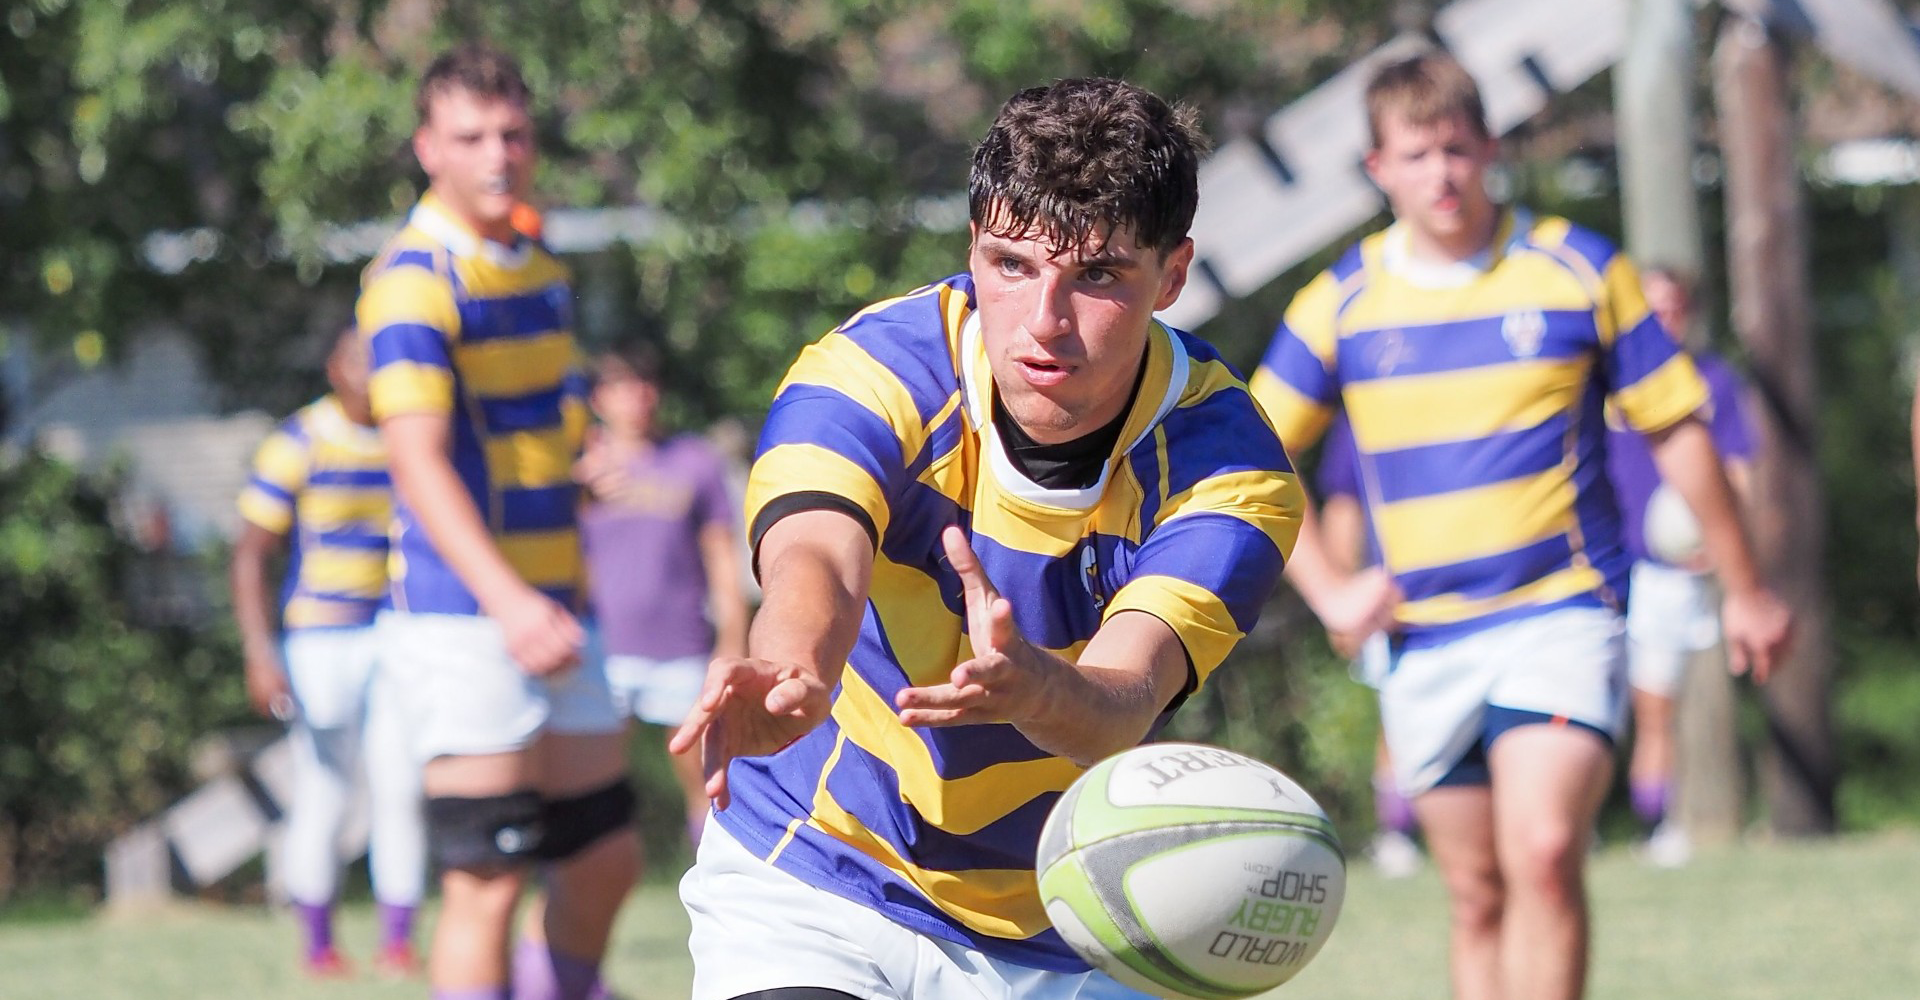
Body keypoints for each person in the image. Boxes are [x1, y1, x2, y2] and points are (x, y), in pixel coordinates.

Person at [668, 77, 1303, 1000]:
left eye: (1097, 276)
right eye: (1011, 264)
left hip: (1070, 919)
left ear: (1172, 274)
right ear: (973, 246)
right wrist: (791, 668)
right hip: (817, 868)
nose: (1045, 320)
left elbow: (1125, 704)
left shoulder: (1228, 465)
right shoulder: (870, 373)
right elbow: (815, 558)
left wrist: (1035, 687)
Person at [1249, 51, 1791, 1000]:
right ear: (1378, 169)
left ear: (1491, 149)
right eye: (1417, 156)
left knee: (1542, 852)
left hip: (1561, 615)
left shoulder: (1581, 272)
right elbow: (1248, 463)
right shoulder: (1339, 301)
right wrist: (1332, 589)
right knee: (1478, 891)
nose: (1442, 175)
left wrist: (1746, 588)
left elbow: (1679, 431)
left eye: (1458, 150)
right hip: (1423, 639)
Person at [356, 44, 637, 1000]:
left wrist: (583, 455)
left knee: (607, 855)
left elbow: (537, 419)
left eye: (513, 132)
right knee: (489, 878)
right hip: (466, 615)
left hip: (558, 602)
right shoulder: (411, 279)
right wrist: (509, 602)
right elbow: (415, 457)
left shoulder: (536, 262)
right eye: (471, 136)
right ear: (427, 147)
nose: (498, 154)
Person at [230, 327, 427, 978]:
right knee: (326, 788)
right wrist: (261, 653)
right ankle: (317, 943)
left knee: (400, 787)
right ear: (332, 368)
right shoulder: (301, 439)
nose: (371, 374)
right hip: (319, 635)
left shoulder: (408, 438)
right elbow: (250, 552)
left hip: (393, 629)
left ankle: (397, 942)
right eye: (358, 361)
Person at [1604, 267, 1756, 867]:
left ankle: (1661, 825)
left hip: (1676, 576)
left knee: (1664, 705)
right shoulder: (1601, 381)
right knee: (1612, 707)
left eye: (1673, 307)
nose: (1663, 318)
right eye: (1651, 307)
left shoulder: (1712, 380)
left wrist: (1724, 545)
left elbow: (1739, 471)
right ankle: (1627, 823)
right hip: (1608, 571)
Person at [577, 344, 748, 848]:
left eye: (646, 383)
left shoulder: (693, 461)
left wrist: (731, 639)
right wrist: (573, 492)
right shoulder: (578, 466)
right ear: (598, 398)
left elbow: (723, 558)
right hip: (598, 649)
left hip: (680, 647)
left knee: (707, 780)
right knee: (584, 788)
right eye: (623, 385)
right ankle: (558, 920)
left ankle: (714, 885)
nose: (638, 397)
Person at [1313, 412, 1422, 879]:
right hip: (1393, 595)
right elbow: (1344, 504)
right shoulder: (1362, 409)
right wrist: (1338, 590)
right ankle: (1396, 831)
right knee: (1396, 718)